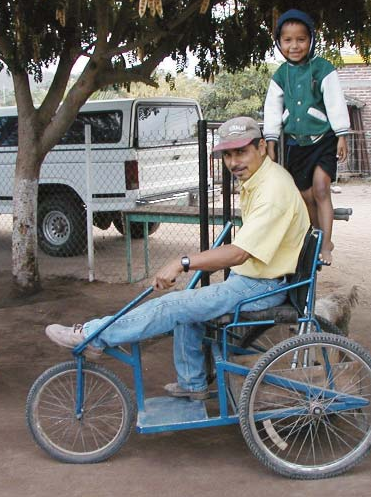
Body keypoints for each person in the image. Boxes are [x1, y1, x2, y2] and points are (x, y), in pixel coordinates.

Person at [45, 117, 310, 400]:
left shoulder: (272, 190)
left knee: (173, 305)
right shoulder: (263, 178)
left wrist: (183, 262)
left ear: (261, 147)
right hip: (257, 278)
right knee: (187, 306)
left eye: (241, 152)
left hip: (263, 286)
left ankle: (92, 334)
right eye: (228, 155)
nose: (233, 162)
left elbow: (238, 253)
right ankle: (192, 384)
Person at [263, 9, 350, 266]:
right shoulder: (280, 75)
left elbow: (335, 102)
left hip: (323, 140)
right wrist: (270, 140)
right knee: (305, 196)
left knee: (321, 189)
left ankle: (325, 245)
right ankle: (315, 238)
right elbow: (272, 109)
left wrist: (341, 134)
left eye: (300, 39)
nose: (294, 46)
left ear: (311, 39)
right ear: (279, 43)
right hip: (295, 144)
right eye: (287, 40)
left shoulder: (322, 68)